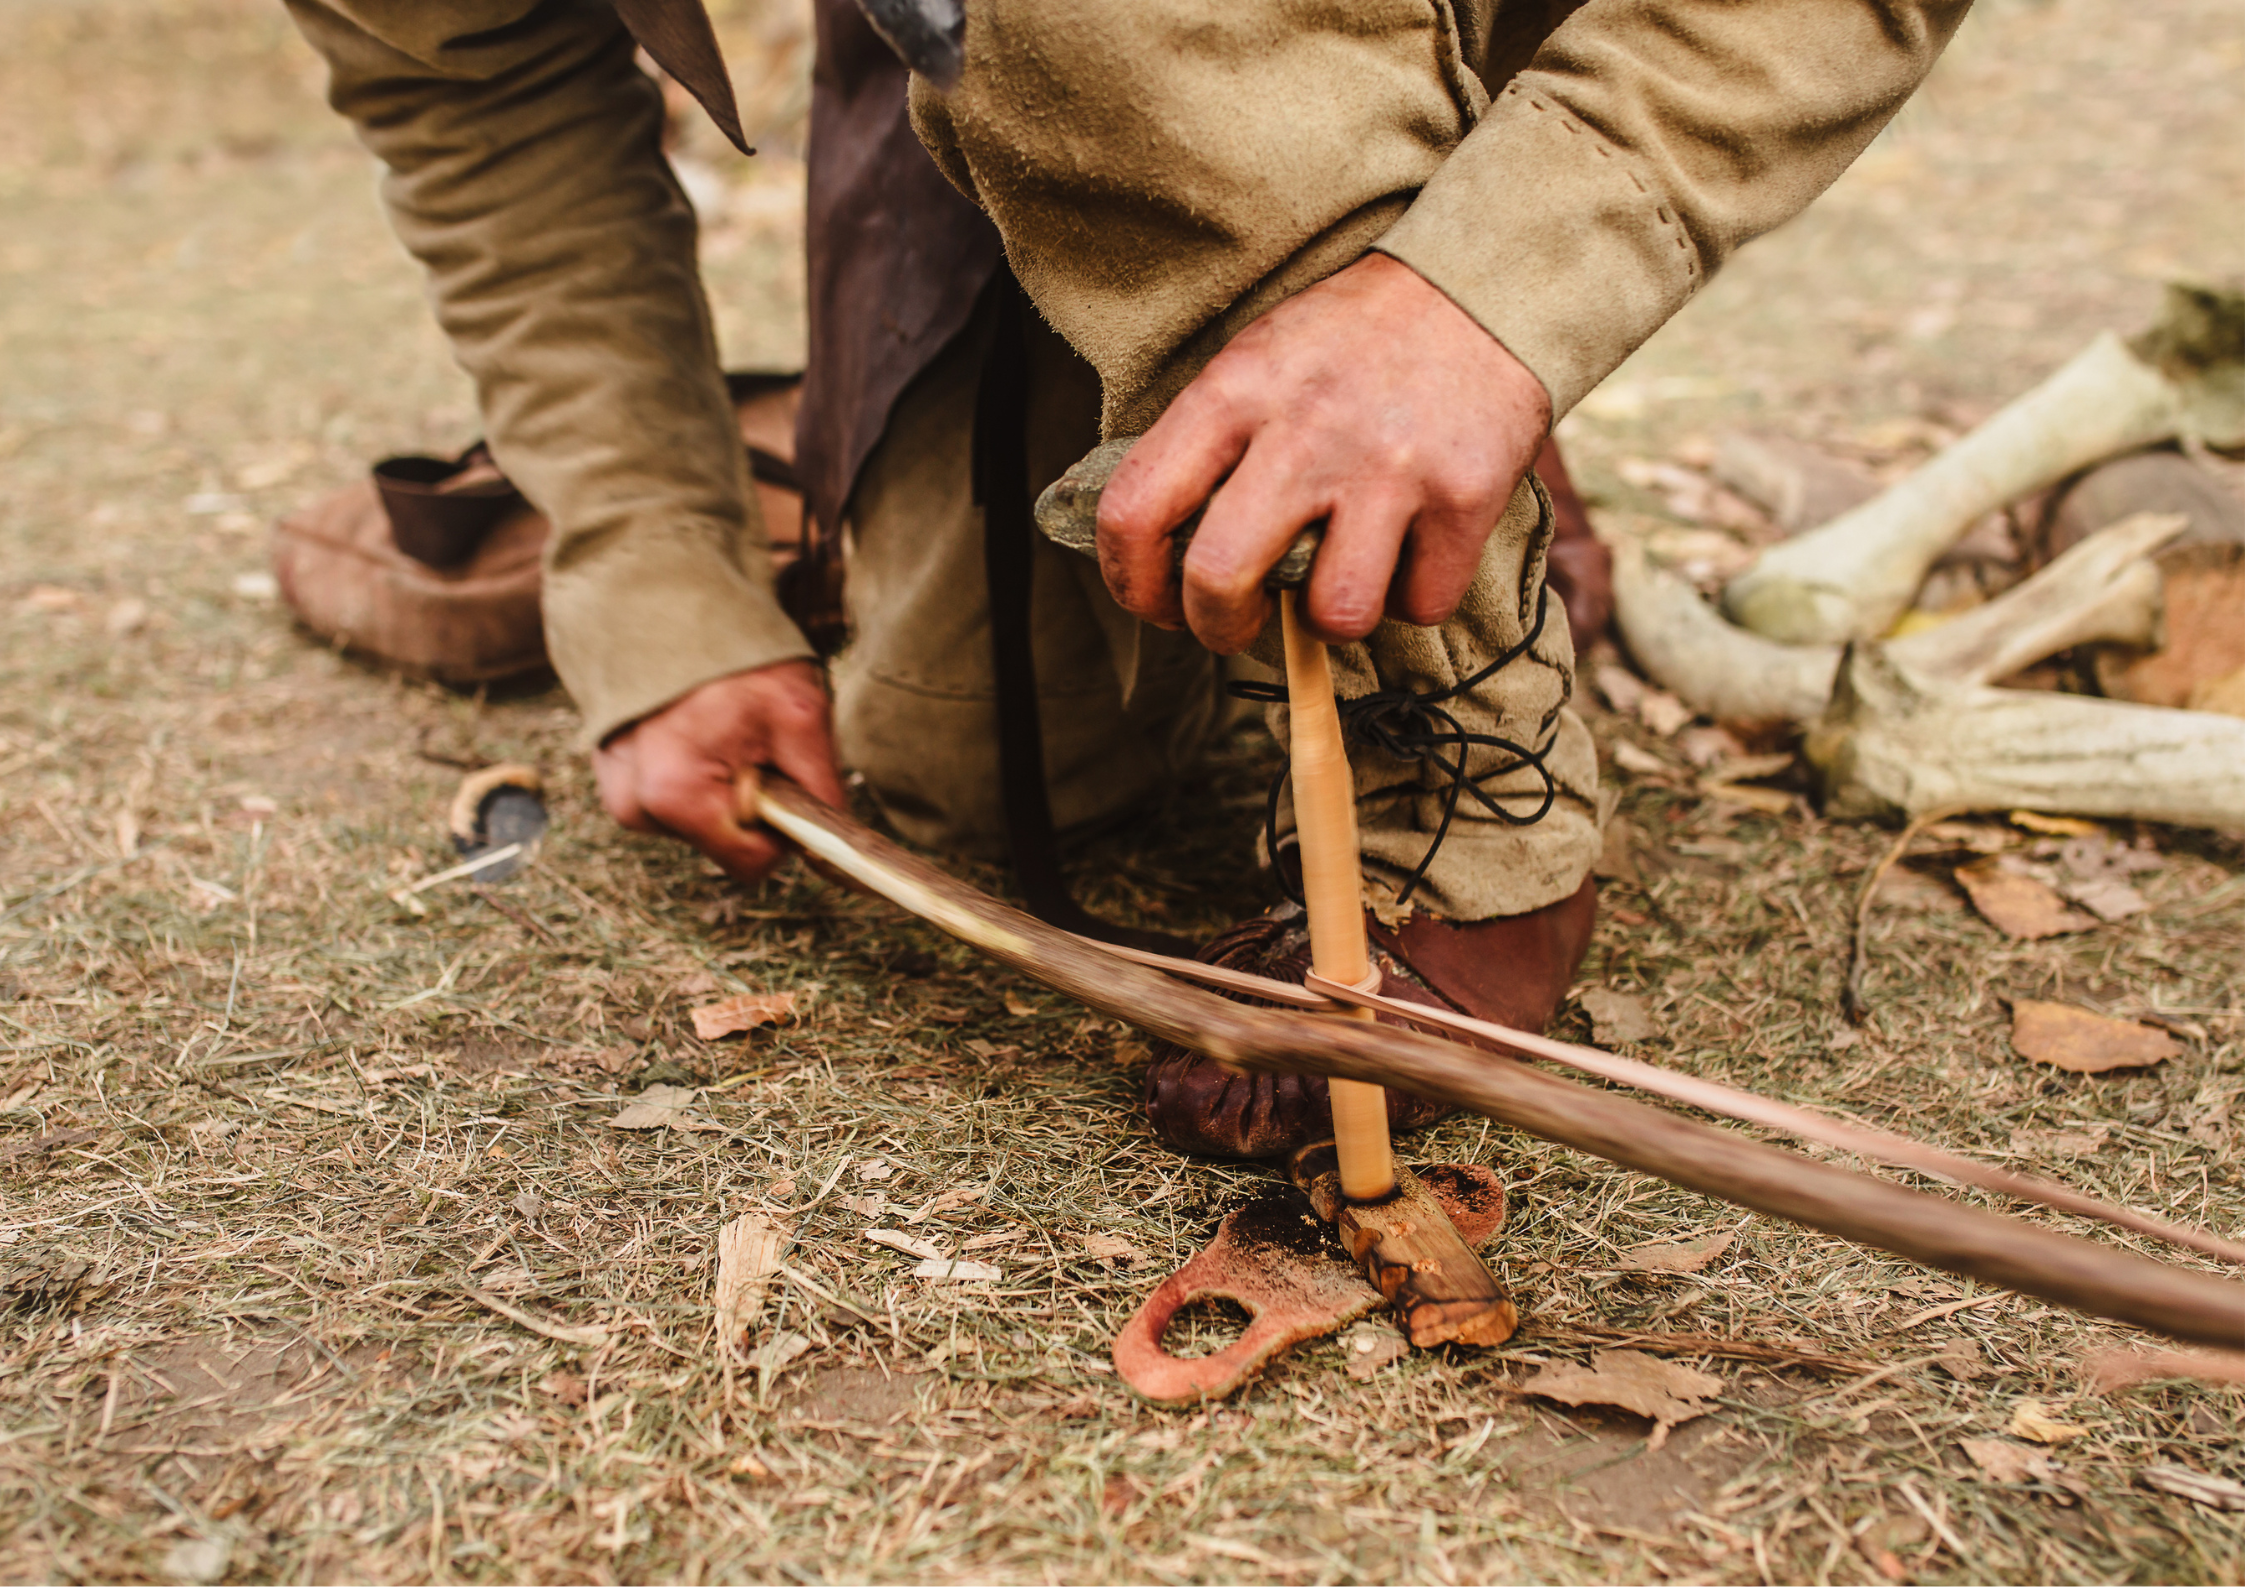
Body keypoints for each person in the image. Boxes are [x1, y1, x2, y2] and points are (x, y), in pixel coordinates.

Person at [283, 0, 1967, 1156]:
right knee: (968, 752)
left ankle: (1474, 808)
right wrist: (657, 570)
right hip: (977, 56)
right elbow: (473, 86)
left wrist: (1492, 288)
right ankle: (1295, 354)